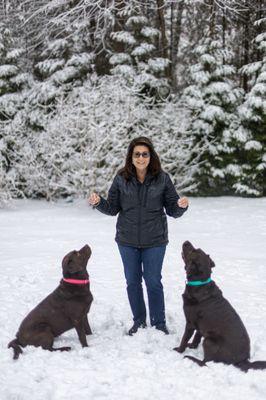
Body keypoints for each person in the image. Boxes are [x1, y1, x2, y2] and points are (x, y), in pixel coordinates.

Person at [88, 137, 189, 336]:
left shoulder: (162, 178)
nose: (141, 158)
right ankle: (139, 322)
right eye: (137, 154)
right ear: (131, 157)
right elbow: (112, 208)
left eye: (145, 154)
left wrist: (181, 206)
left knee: (153, 281)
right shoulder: (121, 178)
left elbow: (172, 209)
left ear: (151, 156)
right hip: (127, 240)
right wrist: (99, 202)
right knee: (132, 282)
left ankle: (159, 323)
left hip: (155, 240)